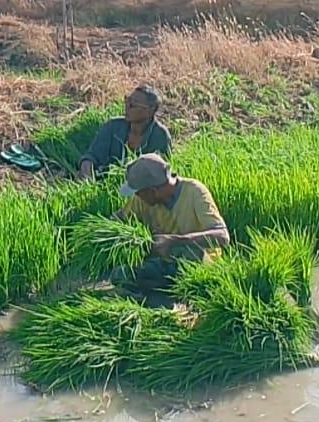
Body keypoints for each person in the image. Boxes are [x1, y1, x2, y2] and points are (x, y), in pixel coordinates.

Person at [111, 153, 230, 299]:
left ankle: (187, 292)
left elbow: (223, 237)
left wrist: (174, 241)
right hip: (163, 265)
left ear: (152, 191)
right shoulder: (142, 200)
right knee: (120, 274)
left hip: (199, 265)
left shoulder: (194, 192)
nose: (137, 197)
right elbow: (118, 220)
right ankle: (155, 292)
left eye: (139, 193)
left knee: (191, 254)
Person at [76, 85, 172, 180]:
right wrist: (86, 167)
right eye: (127, 101)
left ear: (150, 111)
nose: (127, 107)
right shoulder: (113, 127)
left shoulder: (160, 135)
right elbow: (93, 155)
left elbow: (160, 173)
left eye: (133, 104)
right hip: (104, 183)